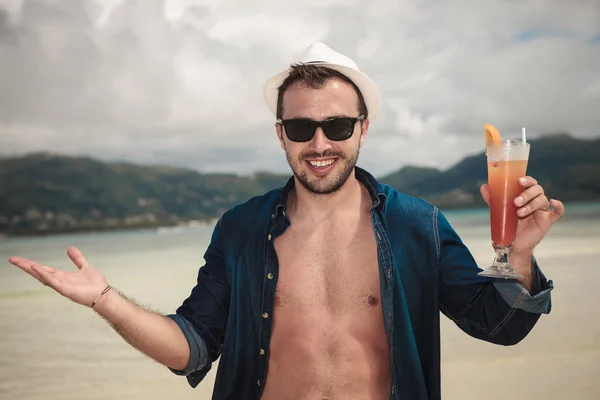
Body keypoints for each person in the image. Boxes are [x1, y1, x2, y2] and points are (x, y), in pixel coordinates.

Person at [9, 42, 563, 400]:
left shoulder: (419, 225)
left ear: (363, 130)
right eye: (301, 129)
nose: (320, 144)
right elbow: (193, 347)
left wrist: (520, 257)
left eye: (338, 125)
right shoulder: (240, 230)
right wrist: (104, 297)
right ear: (280, 134)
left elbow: (499, 326)